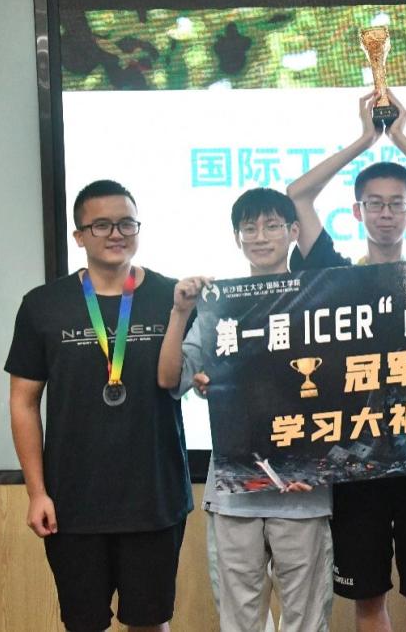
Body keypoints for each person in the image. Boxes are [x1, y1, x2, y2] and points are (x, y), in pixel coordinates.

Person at [286, 92, 406, 632]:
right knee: (367, 600)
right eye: (374, 203)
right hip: (355, 460)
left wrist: (400, 137)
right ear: (357, 211)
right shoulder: (336, 274)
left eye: (396, 204)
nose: (385, 214)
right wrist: (365, 138)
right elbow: (298, 196)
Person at [5, 179, 192, 632]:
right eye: (102, 225)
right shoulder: (43, 305)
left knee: (151, 622)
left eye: (127, 223)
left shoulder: (174, 299)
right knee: (84, 624)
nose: (116, 234)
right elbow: (23, 403)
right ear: (79, 236)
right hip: (73, 503)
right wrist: (36, 493)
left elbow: (193, 377)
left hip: (154, 498)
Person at [157, 187, 332, 632]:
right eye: (249, 228)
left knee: (307, 621)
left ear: (294, 232)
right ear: (237, 237)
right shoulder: (219, 306)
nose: (260, 236)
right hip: (235, 489)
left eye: (272, 225)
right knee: (239, 620)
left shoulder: (320, 299)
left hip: (304, 489)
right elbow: (172, 379)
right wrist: (180, 313)